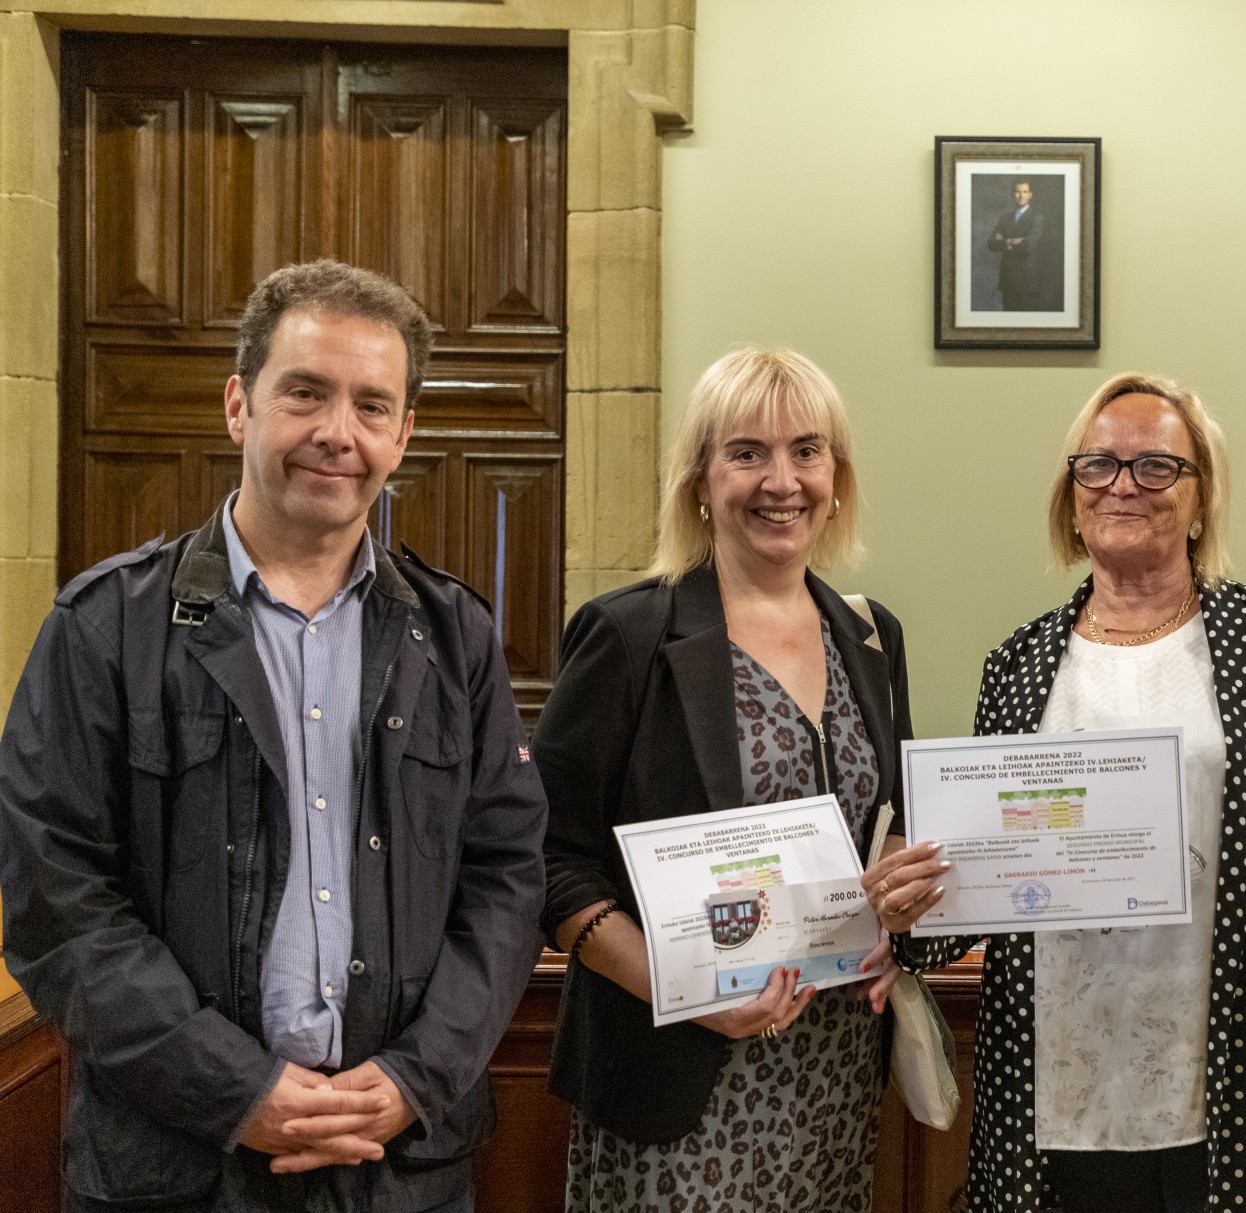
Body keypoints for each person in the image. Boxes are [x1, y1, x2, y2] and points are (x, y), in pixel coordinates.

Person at [0, 260, 548, 1212]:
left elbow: (506, 874)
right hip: (177, 1168)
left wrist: (418, 1077)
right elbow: (60, 902)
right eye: (306, 392)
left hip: (399, 1170)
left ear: (404, 434)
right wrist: (236, 1090)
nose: (339, 432)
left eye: (373, 406)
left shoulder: (454, 638)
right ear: (237, 406)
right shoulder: (104, 628)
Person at [873, 372, 1246, 1213]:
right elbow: (986, 871)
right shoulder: (1019, 664)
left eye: (1157, 466)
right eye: (1099, 466)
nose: (1123, 484)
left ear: (1200, 499)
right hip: (1058, 1081)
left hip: (1240, 1078)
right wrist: (914, 910)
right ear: (1071, 499)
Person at [536, 347, 920, 1212]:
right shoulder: (627, 635)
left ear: (837, 476)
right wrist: (689, 995)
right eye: (746, 452)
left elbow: (887, 814)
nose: (781, 480)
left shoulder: (870, 636)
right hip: (678, 1082)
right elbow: (547, 859)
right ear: (700, 481)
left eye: (806, 451)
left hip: (831, 1077)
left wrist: (893, 898)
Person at [988, 178, 1047, 310]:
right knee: (1008, 324)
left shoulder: (1037, 218)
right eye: (1017, 191)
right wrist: (1010, 241)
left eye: (1025, 192)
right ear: (1013, 194)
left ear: (1030, 195)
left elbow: (1028, 246)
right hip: (1007, 279)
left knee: (1027, 324)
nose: (1021, 195)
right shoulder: (1005, 218)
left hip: (1027, 281)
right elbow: (991, 244)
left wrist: (1003, 241)